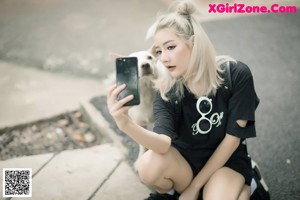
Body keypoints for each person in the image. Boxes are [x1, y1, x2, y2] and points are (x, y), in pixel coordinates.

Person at [107, 1, 270, 199]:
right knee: (147, 166)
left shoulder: (235, 74)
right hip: (184, 163)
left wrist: (194, 188)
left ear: (194, 43)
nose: (163, 59)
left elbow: (232, 140)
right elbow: (162, 144)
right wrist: (124, 123)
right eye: (158, 52)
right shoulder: (166, 90)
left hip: (226, 162)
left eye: (170, 47)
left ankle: (247, 187)